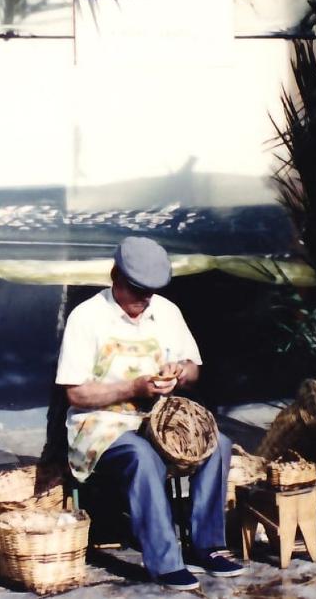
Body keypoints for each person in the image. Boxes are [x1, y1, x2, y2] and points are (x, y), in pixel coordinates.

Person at [55, 236, 243, 591]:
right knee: (142, 456)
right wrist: (133, 388)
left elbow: (194, 369)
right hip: (101, 426)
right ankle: (165, 561)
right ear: (116, 278)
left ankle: (208, 547)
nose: (145, 300)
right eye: (138, 291)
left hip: (160, 419)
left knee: (218, 443)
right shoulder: (87, 317)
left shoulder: (166, 311)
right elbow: (75, 393)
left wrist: (179, 373)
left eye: (150, 293)